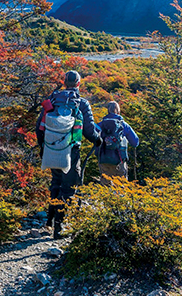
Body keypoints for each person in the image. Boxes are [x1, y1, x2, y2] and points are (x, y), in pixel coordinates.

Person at [36, 70, 101, 239]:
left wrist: (43, 147)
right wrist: (98, 140)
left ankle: (49, 221)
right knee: (69, 188)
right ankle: (59, 228)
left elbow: (39, 126)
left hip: (52, 149)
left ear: (64, 82)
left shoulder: (53, 100)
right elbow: (89, 131)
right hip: (71, 152)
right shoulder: (82, 103)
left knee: (56, 182)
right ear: (79, 84)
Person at [96, 101, 139, 185]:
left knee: (105, 187)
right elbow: (135, 142)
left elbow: (93, 138)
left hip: (104, 159)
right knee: (120, 186)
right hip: (120, 160)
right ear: (118, 111)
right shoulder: (124, 125)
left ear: (107, 110)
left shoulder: (101, 125)